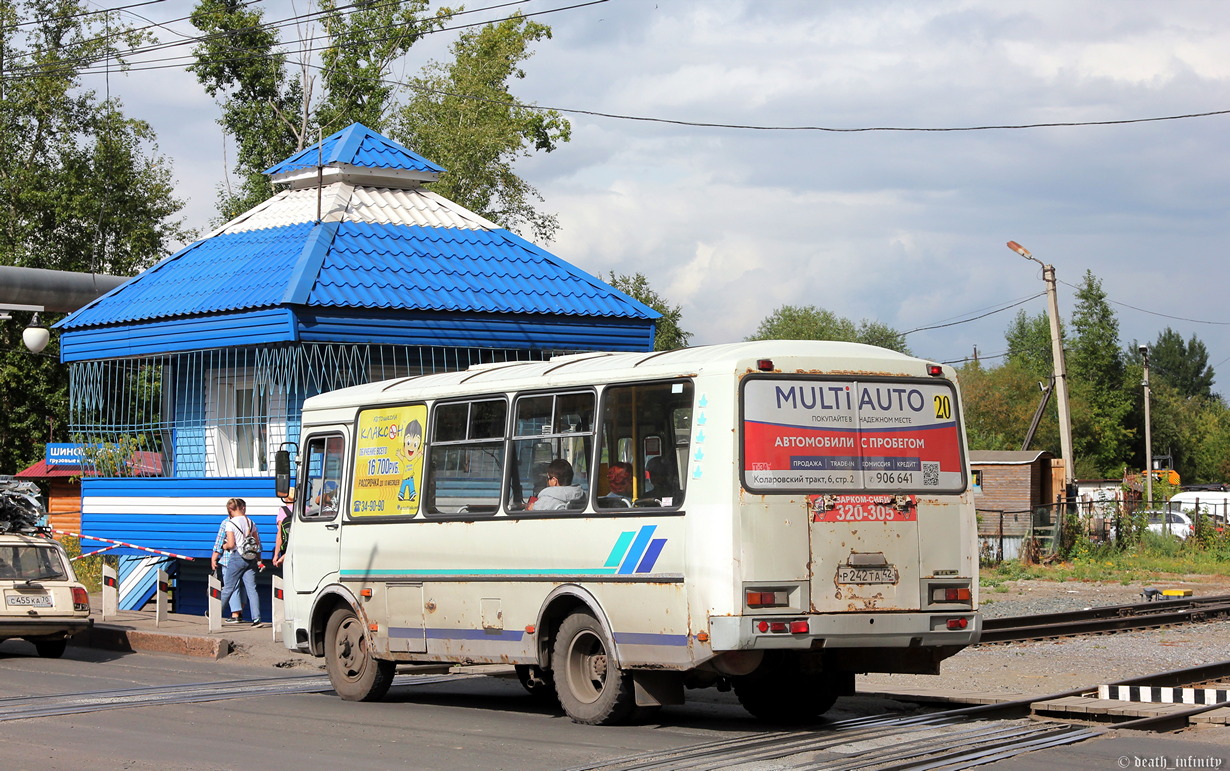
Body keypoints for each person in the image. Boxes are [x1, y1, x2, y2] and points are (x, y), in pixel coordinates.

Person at [217, 498, 263, 626]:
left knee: (228, 587)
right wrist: (259, 559)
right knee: (252, 589)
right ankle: (256, 618)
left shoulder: (230, 523)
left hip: (237, 557)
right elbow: (257, 543)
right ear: (242, 507)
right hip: (251, 558)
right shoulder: (250, 522)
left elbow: (231, 545)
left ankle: (215, 613)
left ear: (230, 509)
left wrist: (224, 546)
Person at [210, 510, 243, 621]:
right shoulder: (247, 521)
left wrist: (214, 557)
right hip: (246, 558)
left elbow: (219, 541)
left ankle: (235, 614)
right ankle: (240, 611)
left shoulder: (226, 522)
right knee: (243, 587)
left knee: (231, 586)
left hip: (229, 559)